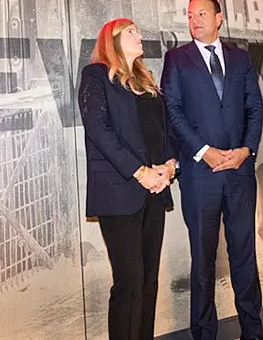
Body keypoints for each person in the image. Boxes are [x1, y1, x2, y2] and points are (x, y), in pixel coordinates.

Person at [161, 0, 263, 340]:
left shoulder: (240, 58)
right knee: (203, 260)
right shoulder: (176, 59)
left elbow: (254, 107)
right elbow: (172, 111)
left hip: (239, 171)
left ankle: (253, 330)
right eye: (190, 16)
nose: (195, 21)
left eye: (202, 13)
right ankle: (204, 333)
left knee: (244, 255)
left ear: (219, 17)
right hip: (199, 175)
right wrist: (203, 151)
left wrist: (246, 150)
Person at [79, 18, 178, 340]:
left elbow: (164, 132)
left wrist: (169, 165)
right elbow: (99, 130)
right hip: (119, 193)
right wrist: (140, 172)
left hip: (155, 189)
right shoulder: (95, 76)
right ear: (112, 40)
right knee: (129, 283)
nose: (140, 35)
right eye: (131, 32)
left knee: (149, 281)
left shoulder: (147, 82)